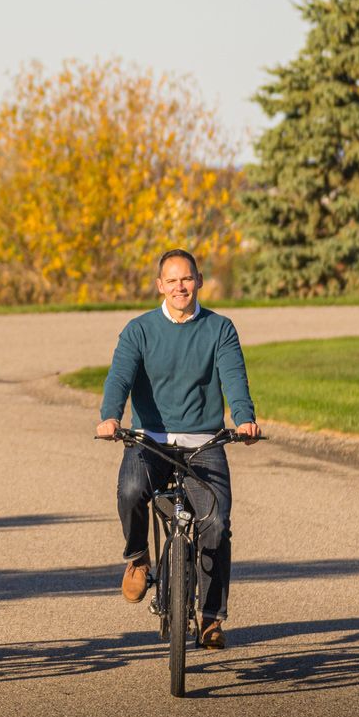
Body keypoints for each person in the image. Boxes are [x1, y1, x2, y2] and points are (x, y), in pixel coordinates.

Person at [94, 248, 260, 649]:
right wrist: (110, 416)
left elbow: (234, 377)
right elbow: (119, 376)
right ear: (160, 286)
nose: (180, 287)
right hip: (150, 438)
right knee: (131, 490)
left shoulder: (220, 329)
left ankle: (210, 618)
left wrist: (244, 417)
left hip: (204, 442)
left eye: (187, 279)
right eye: (172, 280)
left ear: (199, 280)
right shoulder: (139, 329)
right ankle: (138, 559)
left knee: (216, 524)